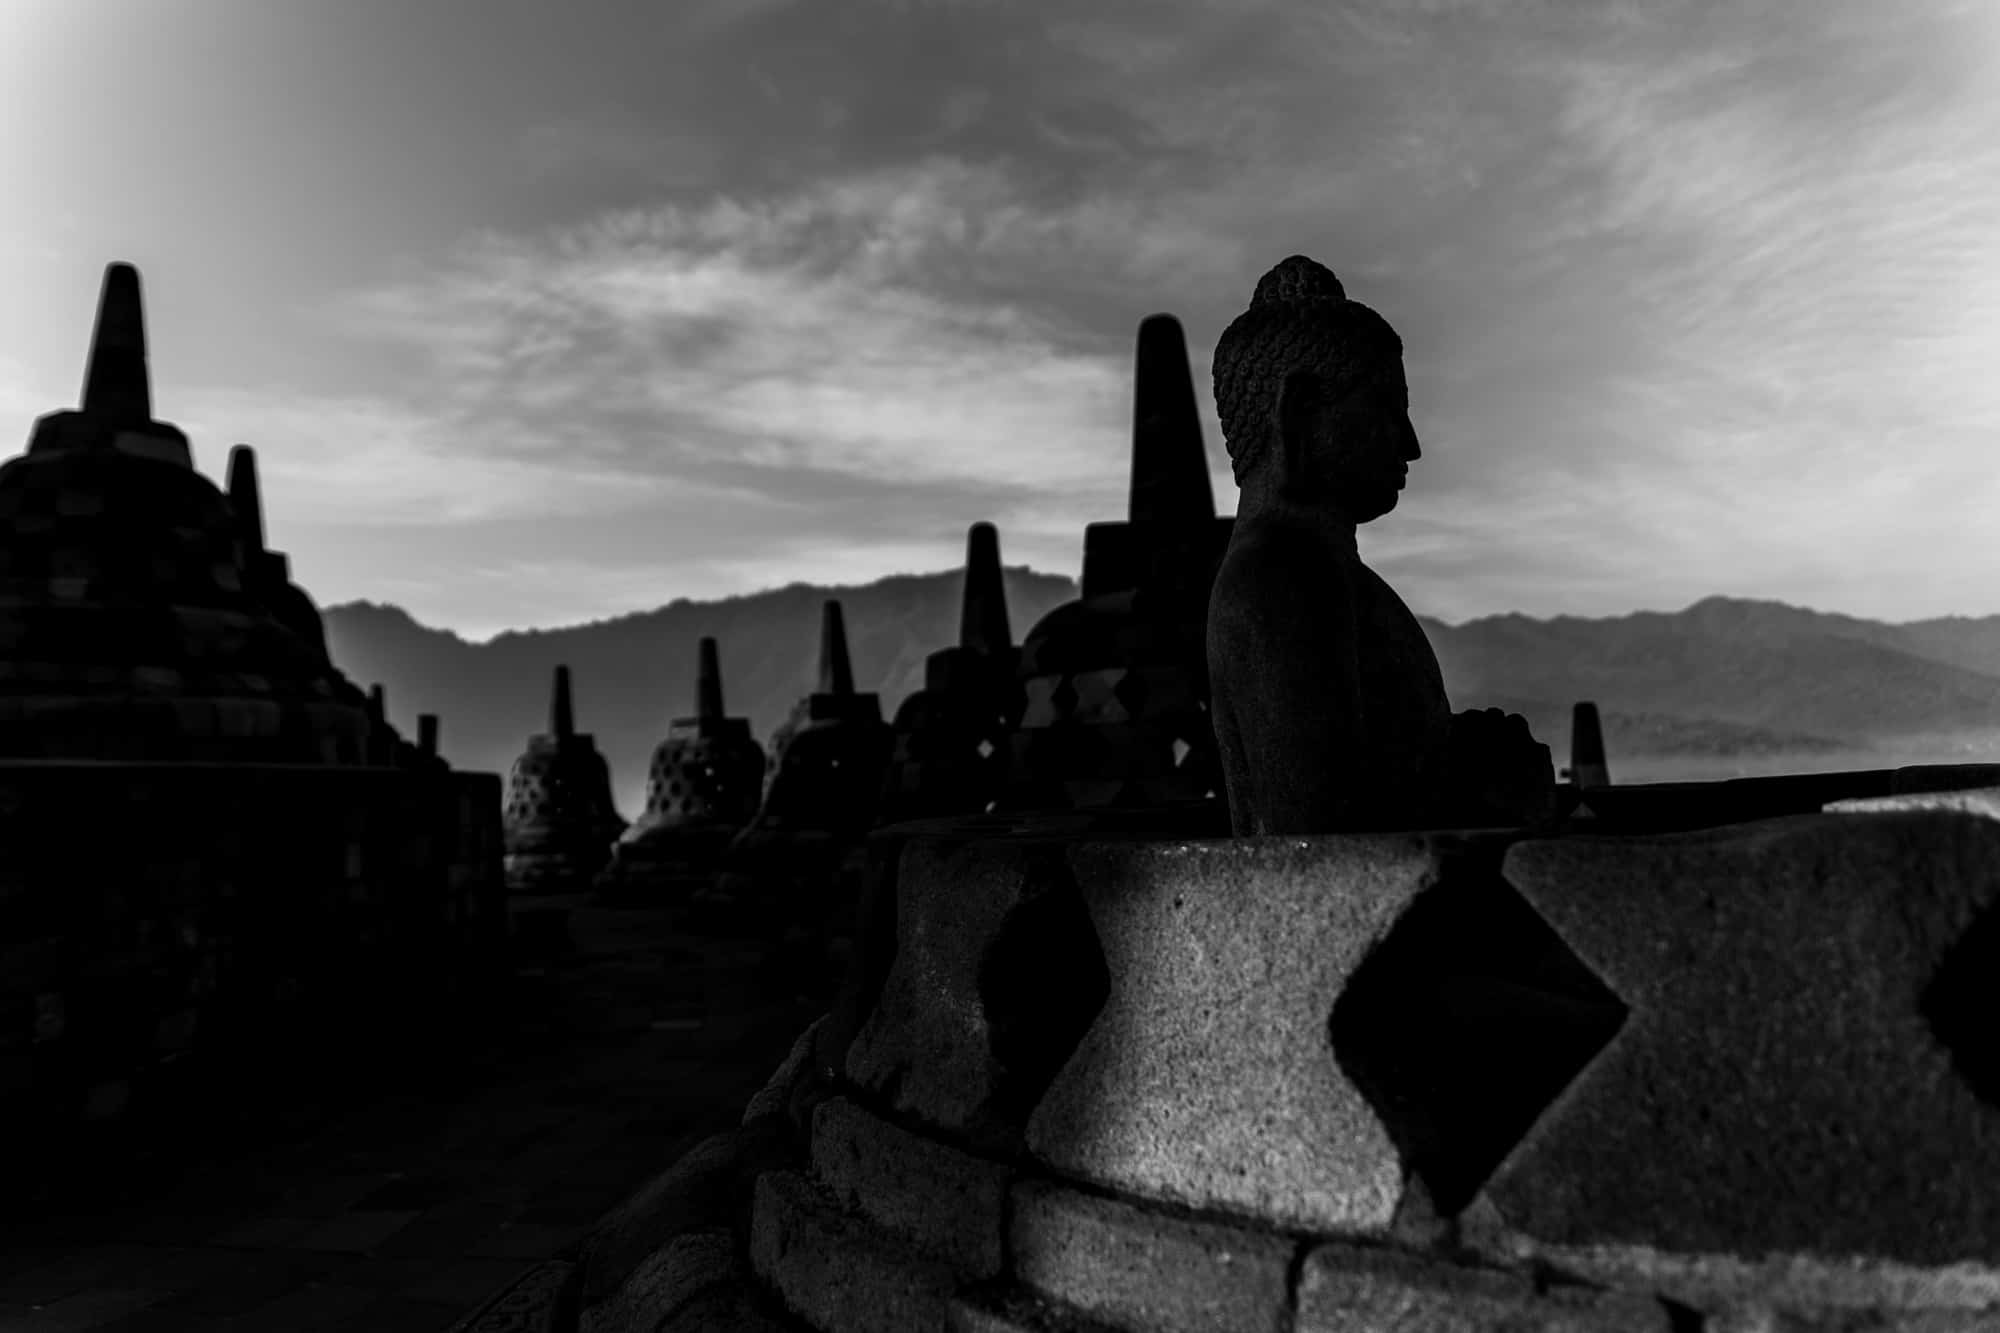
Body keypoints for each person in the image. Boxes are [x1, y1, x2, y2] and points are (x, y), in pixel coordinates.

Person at [1206, 254, 1552, 835]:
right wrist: (1494, 784)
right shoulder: (1280, 578)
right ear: (1301, 413)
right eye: (1388, 410)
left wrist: (1453, 749)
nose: (1411, 445)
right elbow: (1321, 849)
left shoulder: (1320, 573)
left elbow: (1367, 781)